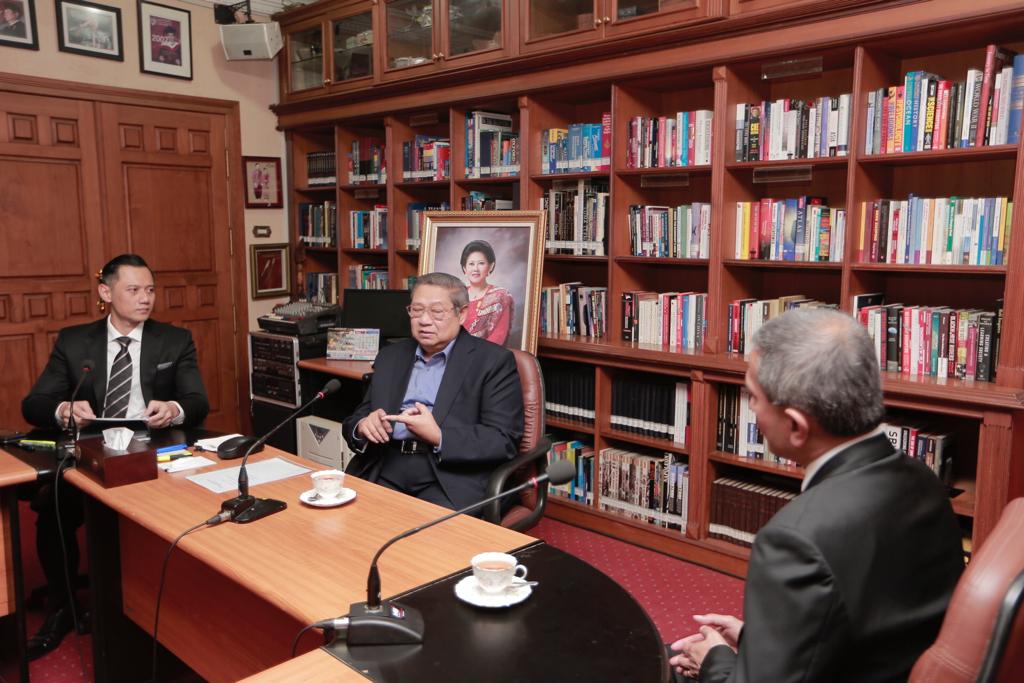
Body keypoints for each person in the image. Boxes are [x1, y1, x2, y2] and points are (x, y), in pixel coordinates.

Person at [669, 308, 963, 683]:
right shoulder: (923, 480)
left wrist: (714, 660)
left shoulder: (796, 540)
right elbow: (871, 620)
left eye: (753, 397)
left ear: (796, 426)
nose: (751, 408)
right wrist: (754, 639)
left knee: (662, 662)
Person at [21, 253, 209, 660]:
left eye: (150, 290)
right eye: (134, 290)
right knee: (54, 508)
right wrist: (64, 410)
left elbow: (197, 402)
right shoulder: (75, 341)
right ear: (106, 293)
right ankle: (63, 606)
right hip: (92, 449)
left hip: (153, 449)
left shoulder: (174, 340)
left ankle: (164, 609)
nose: (146, 299)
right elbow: (34, 404)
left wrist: (173, 408)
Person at [342, 272, 523, 512]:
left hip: (449, 475)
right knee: (347, 520)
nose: (424, 320)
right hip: (386, 463)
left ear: (462, 314)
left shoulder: (493, 361)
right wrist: (363, 426)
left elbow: (503, 439)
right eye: (417, 311)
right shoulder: (390, 356)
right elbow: (358, 416)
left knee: (423, 532)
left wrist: (439, 436)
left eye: (437, 312)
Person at [460, 240, 514, 346]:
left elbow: (498, 337)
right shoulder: (456, 295)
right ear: (464, 268)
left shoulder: (500, 296)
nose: (475, 269)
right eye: (471, 264)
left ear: (491, 266)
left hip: (486, 353)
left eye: (481, 263)